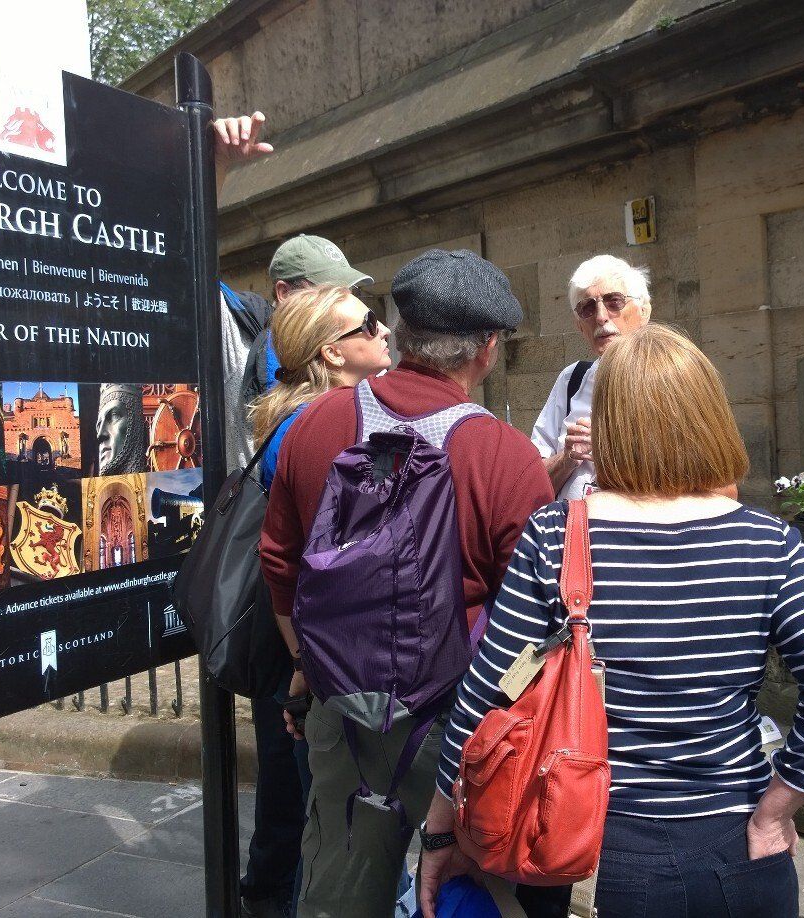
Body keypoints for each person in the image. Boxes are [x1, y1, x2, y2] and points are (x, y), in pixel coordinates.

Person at [420, 324, 804, 918]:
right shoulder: (768, 543)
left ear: (608, 423)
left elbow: (489, 692)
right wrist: (779, 808)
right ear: (710, 417)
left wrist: (440, 829)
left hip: (586, 843)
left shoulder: (557, 536)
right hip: (737, 845)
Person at [259, 250, 560, 918]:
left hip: (343, 705)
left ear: (396, 331)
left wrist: (307, 670)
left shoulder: (313, 427)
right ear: (486, 349)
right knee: (458, 893)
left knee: (340, 890)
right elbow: (537, 619)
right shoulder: (506, 457)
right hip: (460, 727)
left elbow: (280, 563)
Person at [231, 284, 394, 918]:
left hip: (315, 658)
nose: (384, 332)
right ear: (331, 351)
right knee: (332, 826)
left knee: (310, 812)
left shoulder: (311, 420)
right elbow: (299, 564)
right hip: (326, 661)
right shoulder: (317, 432)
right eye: (367, 324)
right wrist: (310, 667)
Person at [212, 111, 375, 470]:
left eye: (349, 292)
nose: (346, 303)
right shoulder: (241, 331)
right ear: (284, 293)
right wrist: (216, 163)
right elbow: (186, 264)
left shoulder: (357, 350)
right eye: (328, 291)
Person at [531, 255, 653, 498]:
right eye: (587, 307)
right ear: (579, 326)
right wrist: (568, 458)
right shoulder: (572, 379)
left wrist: (619, 450)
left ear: (644, 311)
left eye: (614, 301)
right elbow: (532, 482)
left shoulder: (673, 377)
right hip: (572, 532)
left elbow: (722, 488)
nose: (600, 316)